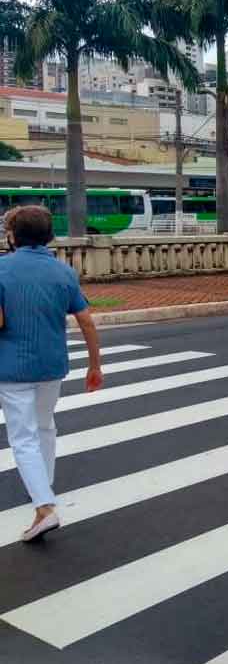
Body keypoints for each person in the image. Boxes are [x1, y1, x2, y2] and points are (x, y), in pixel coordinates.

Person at [0, 205, 104, 542]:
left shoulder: (1, 268)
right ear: (49, 236)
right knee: (45, 426)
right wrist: (94, 365)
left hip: (12, 367)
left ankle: (44, 507)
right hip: (52, 366)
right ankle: (42, 488)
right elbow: (86, 320)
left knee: (23, 437)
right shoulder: (64, 272)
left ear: (12, 236)